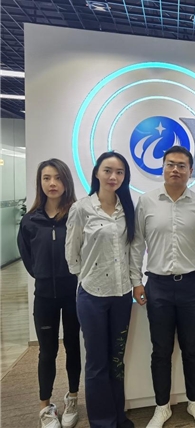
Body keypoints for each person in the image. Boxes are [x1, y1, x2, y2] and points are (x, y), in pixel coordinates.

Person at [130, 146, 195, 428]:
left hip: (191, 285)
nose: (175, 170)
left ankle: (194, 402)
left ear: (190, 171)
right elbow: (137, 244)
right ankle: (162, 406)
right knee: (161, 350)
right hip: (158, 286)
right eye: (170, 164)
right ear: (163, 167)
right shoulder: (147, 202)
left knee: (192, 348)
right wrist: (136, 281)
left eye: (181, 165)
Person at [65, 151, 137, 428]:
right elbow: (71, 254)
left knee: (116, 361)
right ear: (97, 173)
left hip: (121, 295)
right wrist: (86, 277)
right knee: (97, 363)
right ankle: (102, 422)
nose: (113, 176)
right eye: (108, 170)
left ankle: (119, 417)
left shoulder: (127, 207)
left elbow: (131, 250)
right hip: (93, 296)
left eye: (119, 172)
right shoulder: (82, 208)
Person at [17, 159, 81, 428]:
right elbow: (28, 257)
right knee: (47, 352)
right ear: (40, 182)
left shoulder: (77, 215)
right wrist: (44, 275)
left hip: (74, 294)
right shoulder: (30, 220)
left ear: (66, 182)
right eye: (46, 178)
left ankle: (73, 398)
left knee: (73, 347)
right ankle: (45, 407)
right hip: (44, 296)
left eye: (57, 178)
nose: (52, 183)